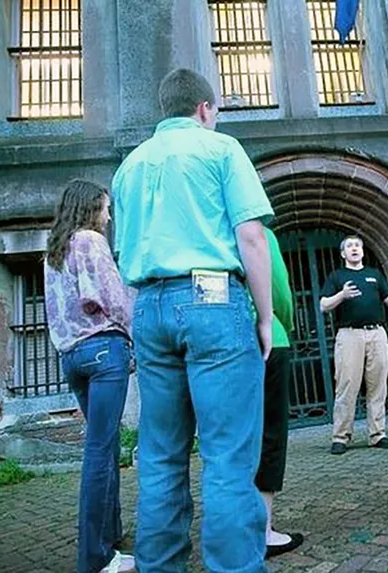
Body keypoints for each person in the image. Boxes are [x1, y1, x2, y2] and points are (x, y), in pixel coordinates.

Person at [111, 68, 273, 573]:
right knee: (227, 455)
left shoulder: (128, 167)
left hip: (151, 305)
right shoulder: (221, 149)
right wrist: (265, 317)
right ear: (205, 107)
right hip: (213, 299)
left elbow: (123, 254)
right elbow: (250, 237)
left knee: (160, 455)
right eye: (217, 110)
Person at [44, 179, 136, 573]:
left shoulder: (53, 250)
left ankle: (110, 534)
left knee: (106, 446)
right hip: (103, 349)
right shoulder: (90, 241)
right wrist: (137, 335)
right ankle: (96, 558)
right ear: (89, 208)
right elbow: (112, 297)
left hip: (72, 357)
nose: (109, 215)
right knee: (100, 452)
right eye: (105, 207)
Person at [320, 235, 388, 454]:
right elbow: (324, 305)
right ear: (343, 254)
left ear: (363, 251)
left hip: (377, 333)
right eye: (350, 246)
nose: (355, 248)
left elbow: (387, 302)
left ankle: (377, 434)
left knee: (378, 386)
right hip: (349, 336)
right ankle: (340, 437)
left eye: (358, 245)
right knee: (347, 385)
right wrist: (342, 295)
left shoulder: (374, 275)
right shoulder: (337, 276)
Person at [258, 227, 304, 557]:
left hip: (220, 342)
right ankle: (263, 531)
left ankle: (233, 527)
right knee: (270, 435)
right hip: (269, 339)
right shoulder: (260, 232)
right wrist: (280, 325)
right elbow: (280, 293)